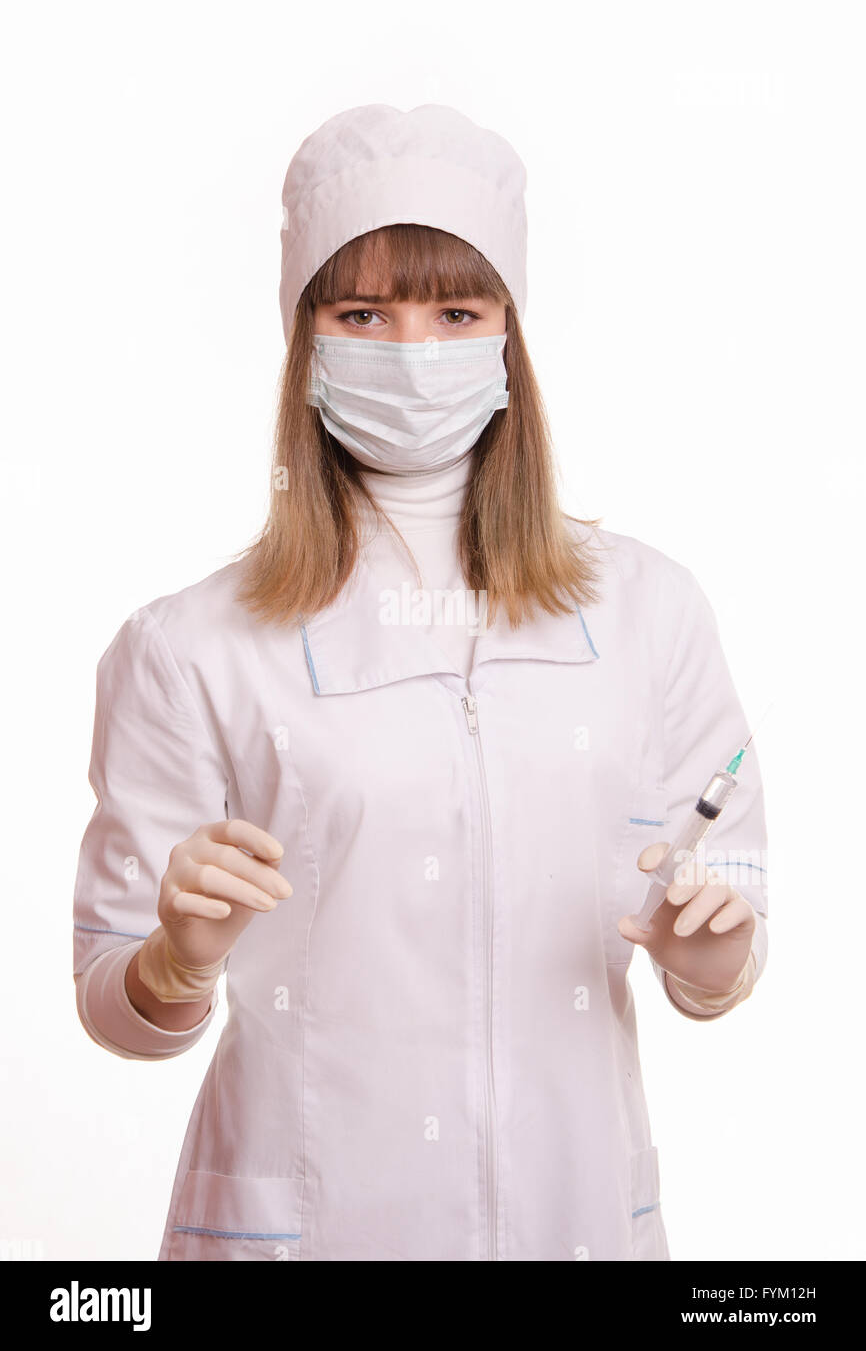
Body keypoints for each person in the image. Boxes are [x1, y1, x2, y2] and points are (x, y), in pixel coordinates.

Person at [72, 103, 769, 1262]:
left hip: (575, 1221)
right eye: (363, 311)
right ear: (308, 339)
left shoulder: (647, 610)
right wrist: (171, 960)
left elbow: (729, 919)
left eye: (455, 309)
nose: (411, 348)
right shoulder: (190, 645)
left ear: (507, 335)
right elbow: (115, 1010)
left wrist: (714, 963)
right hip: (304, 1230)